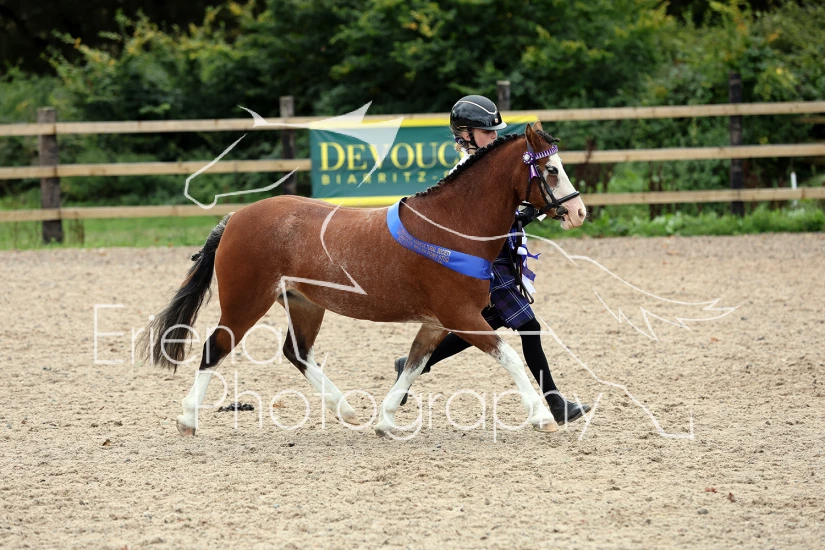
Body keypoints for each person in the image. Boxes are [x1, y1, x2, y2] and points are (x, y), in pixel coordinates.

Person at [394, 95, 590, 425]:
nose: (495, 137)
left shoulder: (493, 165)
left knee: (488, 322)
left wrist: (539, 212)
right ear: (466, 135)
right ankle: (555, 403)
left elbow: (512, 203)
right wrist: (524, 216)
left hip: (499, 254)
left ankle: (416, 363)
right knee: (529, 326)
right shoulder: (462, 173)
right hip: (483, 260)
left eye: (496, 131)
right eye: (488, 132)